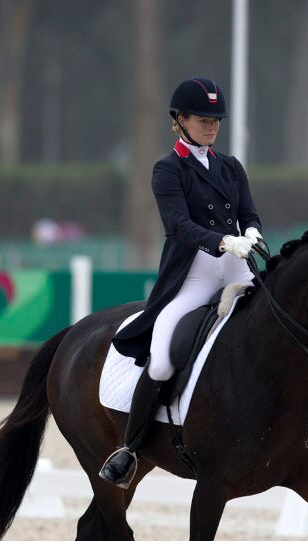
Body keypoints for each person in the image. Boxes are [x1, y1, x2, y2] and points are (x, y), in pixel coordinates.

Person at [100, 77, 264, 487]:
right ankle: (130, 448)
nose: (211, 126)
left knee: (283, 320)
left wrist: (254, 233)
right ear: (181, 120)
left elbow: (248, 212)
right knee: (161, 357)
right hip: (195, 272)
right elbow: (178, 224)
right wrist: (223, 240)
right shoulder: (168, 169)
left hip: (238, 266)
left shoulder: (230, 166)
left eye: (216, 120)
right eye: (203, 119)